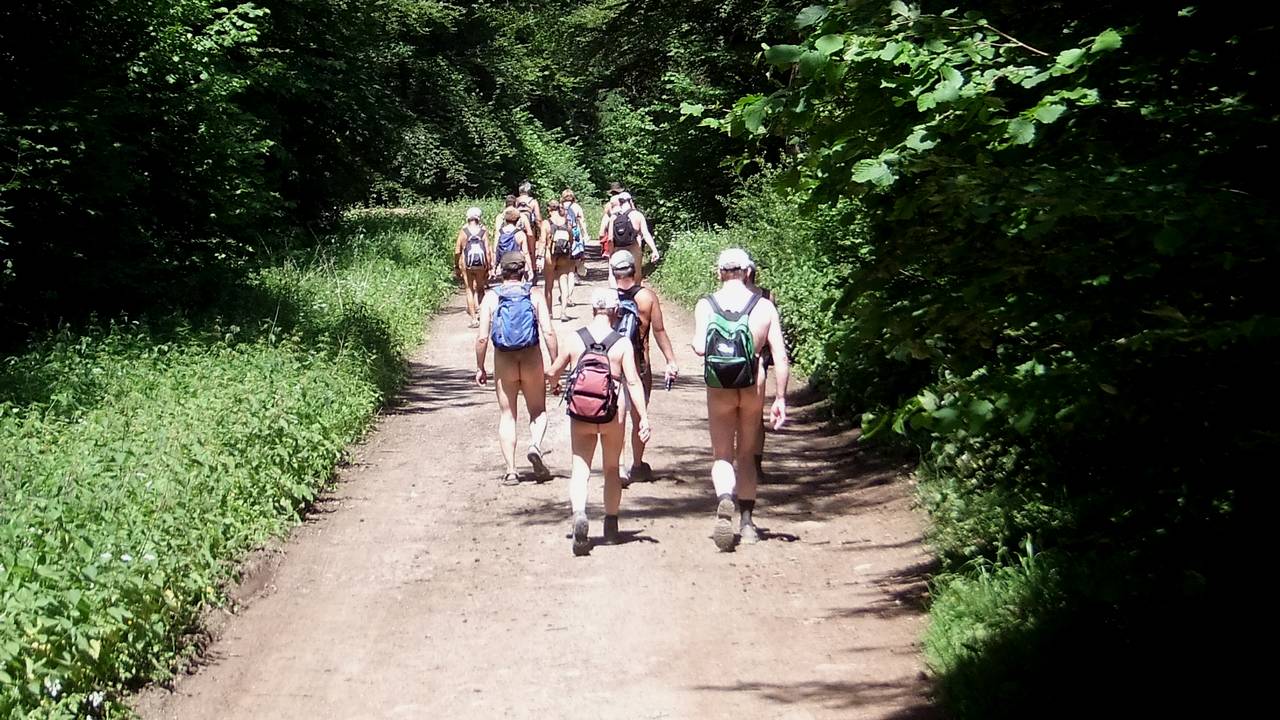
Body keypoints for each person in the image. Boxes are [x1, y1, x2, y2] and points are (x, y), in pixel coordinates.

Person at [691, 248, 789, 550]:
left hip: (719, 386)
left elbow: (699, 347)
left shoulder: (706, 305)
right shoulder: (763, 306)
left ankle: (724, 497)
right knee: (746, 454)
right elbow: (781, 357)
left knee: (722, 455)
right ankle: (747, 524)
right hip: (752, 383)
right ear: (747, 272)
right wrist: (780, 398)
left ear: (719, 272)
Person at [546, 288, 652, 556]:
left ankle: (580, 514)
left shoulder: (574, 339)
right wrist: (643, 418)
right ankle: (611, 524)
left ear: (593, 310)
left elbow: (553, 371)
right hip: (612, 411)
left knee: (580, 467)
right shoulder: (622, 344)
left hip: (581, 411)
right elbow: (633, 382)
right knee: (611, 468)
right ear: (616, 312)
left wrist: (554, 383)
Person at [475, 251, 558, 485]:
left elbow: (482, 338)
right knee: (538, 410)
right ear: (524, 271)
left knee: (508, 414)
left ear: (501, 271)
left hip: (504, 361)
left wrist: (480, 367)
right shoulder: (534, 295)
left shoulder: (491, 298)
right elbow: (548, 332)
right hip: (532, 358)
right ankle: (535, 445)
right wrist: (555, 366)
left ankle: (511, 471)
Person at [608, 250, 679, 484]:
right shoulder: (647, 297)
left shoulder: (607, 299)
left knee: (617, 416)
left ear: (613, 272)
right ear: (634, 270)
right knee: (639, 415)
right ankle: (637, 465)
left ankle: (619, 466)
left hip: (614, 366)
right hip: (640, 365)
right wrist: (670, 360)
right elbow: (659, 331)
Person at [745, 261, 780, 478]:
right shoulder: (767, 296)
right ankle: (755, 465)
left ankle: (739, 464)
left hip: (730, 362)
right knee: (755, 415)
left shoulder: (726, 297)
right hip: (759, 359)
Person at [605, 192, 660, 288]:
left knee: (615, 276)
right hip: (634, 250)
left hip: (618, 250)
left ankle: (618, 293)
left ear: (619, 202)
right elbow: (646, 234)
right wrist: (654, 250)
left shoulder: (613, 217)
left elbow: (610, 239)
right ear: (630, 201)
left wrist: (611, 253)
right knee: (636, 275)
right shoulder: (638, 215)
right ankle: (635, 293)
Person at [455, 207, 491, 328]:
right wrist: (489, 266)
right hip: (481, 264)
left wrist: (456, 266)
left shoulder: (463, 232)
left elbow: (457, 251)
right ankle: (483, 315)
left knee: (469, 290)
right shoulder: (483, 231)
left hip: (467, 264)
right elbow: (487, 251)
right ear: (479, 218)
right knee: (480, 289)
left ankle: (474, 319)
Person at [541, 200, 576, 321]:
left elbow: (543, 241)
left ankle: (549, 313)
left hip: (550, 255)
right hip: (564, 255)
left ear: (549, 209)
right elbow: (571, 239)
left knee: (549, 284)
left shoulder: (546, 223)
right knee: (563, 281)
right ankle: (563, 312)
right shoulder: (566, 222)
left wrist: (539, 256)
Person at [493, 207, 533, 282]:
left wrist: (494, 267)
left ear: (505, 220)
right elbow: (526, 252)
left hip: (504, 262)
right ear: (517, 220)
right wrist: (530, 269)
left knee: (505, 283)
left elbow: (495, 250)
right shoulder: (520, 234)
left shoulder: (499, 233)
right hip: (517, 263)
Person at [561, 189, 588, 296]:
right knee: (572, 266)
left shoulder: (559, 207)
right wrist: (585, 234)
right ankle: (569, 294)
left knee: (562, 267)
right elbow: (582, 221)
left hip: (561, 236)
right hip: (575, 236)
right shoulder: (576, 207)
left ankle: (563, 293)